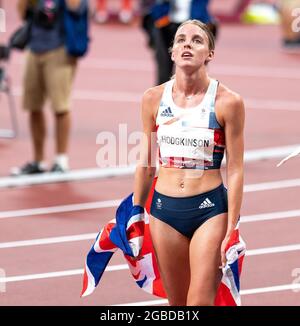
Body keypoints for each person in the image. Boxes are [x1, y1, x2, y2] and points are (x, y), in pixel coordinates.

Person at [133, 20, 245, 305]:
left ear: (210, 53)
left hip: (209, 211)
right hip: (164, 212)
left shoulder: (227, 102)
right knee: (178, 306)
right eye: (181, 39)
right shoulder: (152, 99)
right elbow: (146, 165)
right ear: (171, 52)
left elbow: (235, 168)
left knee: (199, 304)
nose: (187, 44)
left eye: (196, 40)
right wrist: (135, 213)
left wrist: (232, 226)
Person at [12, 0, 88, 175]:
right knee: (33, 106)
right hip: (34, 48)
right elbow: (23, 12)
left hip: (60, 49)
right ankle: (38, 161)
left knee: (61, 107)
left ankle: (61, 160)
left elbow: (75, 7)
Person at [151, 0, 218, 84]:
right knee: (163, 67)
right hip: (165, 24)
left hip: (193, 25)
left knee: (194, 68)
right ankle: (163, 95)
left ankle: (197, 94)